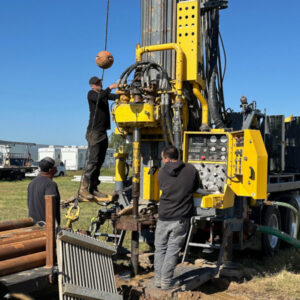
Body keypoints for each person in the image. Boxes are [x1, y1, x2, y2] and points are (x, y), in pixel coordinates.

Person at [154, 145, 201, 290]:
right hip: (180, 218)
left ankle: (158, 280)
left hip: (163, 217)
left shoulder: (161, 173)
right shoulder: (191, 170)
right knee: (172, 249)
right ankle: (166, 281)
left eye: (162, 158)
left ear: (166, 158)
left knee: (160, 248)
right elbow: (196, 187)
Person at [80, 76, 119, 200]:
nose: (100, 85)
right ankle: (83, 189)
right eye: (98, 84)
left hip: (102, 132)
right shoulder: (91, 94)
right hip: (94, 133)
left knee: (100, 161)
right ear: (93, 85)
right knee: (93, 161)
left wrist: (124, 93)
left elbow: (114, 97)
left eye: (101, 83)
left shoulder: (103, 94)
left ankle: (93, 188)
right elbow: (100, 97)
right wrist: (110, 88)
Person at [27, 157, 60, 225]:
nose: (57, 168)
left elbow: (29, 204)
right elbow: (51, 206)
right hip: (46, 227)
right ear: (50, 170)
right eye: (55, 167)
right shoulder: (50, 184)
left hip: (33, 225)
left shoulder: (31, 183)